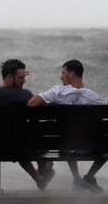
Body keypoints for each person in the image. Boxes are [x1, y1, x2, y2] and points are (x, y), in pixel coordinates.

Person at [27, 59, 103, 192]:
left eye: (63, 73)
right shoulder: (94, 97)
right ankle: (89, 176)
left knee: (67, 136)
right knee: (75, 135)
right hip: (90, 146)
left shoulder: (57, 92)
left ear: (71, 75)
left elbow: (32, 103)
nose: (61, 76)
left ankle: (76, 177)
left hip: (64, 146)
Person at [0, 59, 55, 190]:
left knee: (19, 139)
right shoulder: (24, 95)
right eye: (21, 77)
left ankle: (39, 178)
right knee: (35, 136)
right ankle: (43, 170)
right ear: (9, 77)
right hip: (19, 146)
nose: (24, 81)